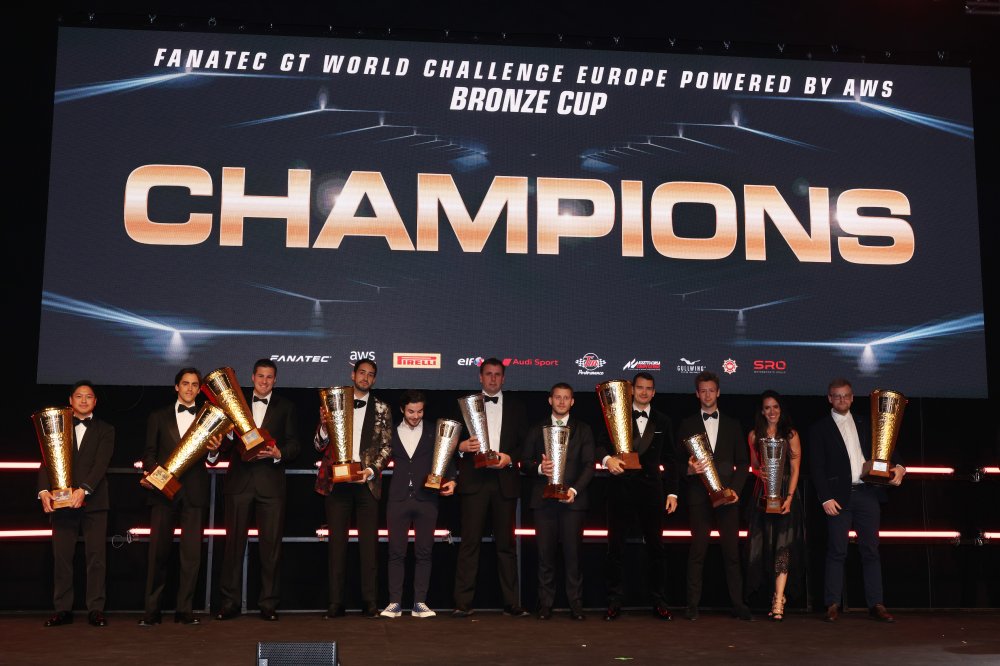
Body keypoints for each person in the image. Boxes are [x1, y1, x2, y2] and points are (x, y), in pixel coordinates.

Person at [809, 378, 905, 623]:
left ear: (852, 398)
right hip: (837, 498)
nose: (842, 399)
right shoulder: (819, 428)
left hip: (867, 493)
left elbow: (888, 447)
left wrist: (900, 467)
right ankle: (832, 604)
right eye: (837, 396)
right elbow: (816, 468)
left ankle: (876, 604)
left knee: (870, 550)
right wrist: (825, 498)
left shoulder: (867, 422)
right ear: (829, 399)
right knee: (837, 550)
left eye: (846, 395)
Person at [214, 359, 300, 621]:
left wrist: (279, 453)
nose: (264, 381)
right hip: (239, 484)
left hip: (271, 485)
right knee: (232, 546)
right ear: (252, 377)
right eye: (260, 376)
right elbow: (224, 446)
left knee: (271, 547)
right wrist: (228, 436)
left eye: (269, 377)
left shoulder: (286, 407)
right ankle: (229, 603)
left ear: (275, 380)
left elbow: (295, 445)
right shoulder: (235, 405)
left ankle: (268, 603)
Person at [139, 368, 222, 626]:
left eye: (195, 385)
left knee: (191, 556)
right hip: (163, 493)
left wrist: (214, 452)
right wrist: (157, 477)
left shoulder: (209, 417)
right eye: (185, 383)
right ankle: (152, 611)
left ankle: (185, 610)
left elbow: (212, 460)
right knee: (157, 554)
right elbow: (149, 455)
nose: (189, 388)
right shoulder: (158, 416)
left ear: (199, 389)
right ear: (176, 387)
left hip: (194, 493)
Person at [315, 359, 393, 619]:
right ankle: (335, 603)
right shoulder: (333, 401)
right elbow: (318, 445)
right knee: (336, 546)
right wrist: (323, 426)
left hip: (366, 484)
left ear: (374, 379)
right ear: (353, 374)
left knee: (369, 546)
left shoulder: (382, 408)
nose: (365, 378)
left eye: (370, 374)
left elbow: (387, 447)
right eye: (362, 373)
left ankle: (370, 602)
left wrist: (370, 472)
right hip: (337, 484)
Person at [597, 371, 678, 621]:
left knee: (656, 549)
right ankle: (614, 600)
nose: (644, 392)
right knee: (615, 548)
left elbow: (672, 460)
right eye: (640, 387)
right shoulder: (615, 413)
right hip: (620, 489)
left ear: (654, 392)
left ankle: (659, 601)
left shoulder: (664, 421)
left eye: (648, 388)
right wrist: (607, 459)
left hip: (651, 491)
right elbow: (599, 445)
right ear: (632, 390)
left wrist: (672, 492)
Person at [453, 357, 529, 617]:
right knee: (469, 543)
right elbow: (450, 439)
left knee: (506, 545)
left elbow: (525, 445)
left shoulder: (517, 407)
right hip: (474, 481)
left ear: (503, 378)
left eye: (497, 374)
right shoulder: (465, 405)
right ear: (480, 377)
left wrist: (510, 458)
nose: (493, 378)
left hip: (504, 480)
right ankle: (463, 603)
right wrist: (461, 447)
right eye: (488, 374)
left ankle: (511, 603)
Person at [38, 380, 115, 627]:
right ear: (70, 400)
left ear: (95, 401)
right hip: (62, 502)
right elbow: (46, 460)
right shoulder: (57, 426)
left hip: (95, 501)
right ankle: (62, 609)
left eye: (89, 396)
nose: (84, 400)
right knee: (62, 557)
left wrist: (84, 490)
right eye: (79, 396)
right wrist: (43, 491)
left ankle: (96, 609)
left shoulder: (106, 429)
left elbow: (101, 464)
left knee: (96, 558)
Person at [677, 370, 751, 621]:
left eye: (711, 390)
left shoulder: (733, 424)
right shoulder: (687, 424)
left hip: (727, 498)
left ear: (718, 392)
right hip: (699, 497)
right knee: (697, 552)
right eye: (703, 391)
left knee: (732, 554)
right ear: (697, 394)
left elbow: (744, 463)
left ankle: (738, 605)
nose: (707, 395)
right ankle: (692, 606)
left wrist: (735, 490)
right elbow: (677, 462)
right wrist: (689, 469)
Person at [523, 383, 595, 620]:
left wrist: (574, 490)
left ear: (572, 402)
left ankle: (576, 605)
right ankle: (545, 605)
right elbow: (525, 462)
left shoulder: (583, 429)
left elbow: (589, 465)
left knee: (573, 556)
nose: (562, 402)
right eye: (558, 397)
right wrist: (539, 468)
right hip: (543, 501)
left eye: (566, 398)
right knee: (545, 557)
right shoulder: (536, 429)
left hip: (573, 501)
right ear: (550, 400)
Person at [380, 390, 456, 619]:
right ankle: (394, 602)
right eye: (411, 411)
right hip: (398, 498)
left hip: (427, 498)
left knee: (424, 551)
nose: (415, 416)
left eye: (420, 411)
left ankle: (420, 603)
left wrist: (452, 480)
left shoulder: (434, 431)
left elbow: (447, 457)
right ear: (402, 410)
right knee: (396, 552)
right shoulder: (389, 431)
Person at [744, 390, 804, 622]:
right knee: (763, 547)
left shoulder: (791, 434)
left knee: (783, 547)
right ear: (762, 411)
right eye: (767, 407)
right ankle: (771, 593)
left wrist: (789, 497)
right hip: (762, 495)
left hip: (786, 493)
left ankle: (779, 599)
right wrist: (759, 472)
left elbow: (796, 468)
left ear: (781, 409)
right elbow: (754, 465)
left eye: (775, 407)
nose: (772, 411)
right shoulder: (753, 436)